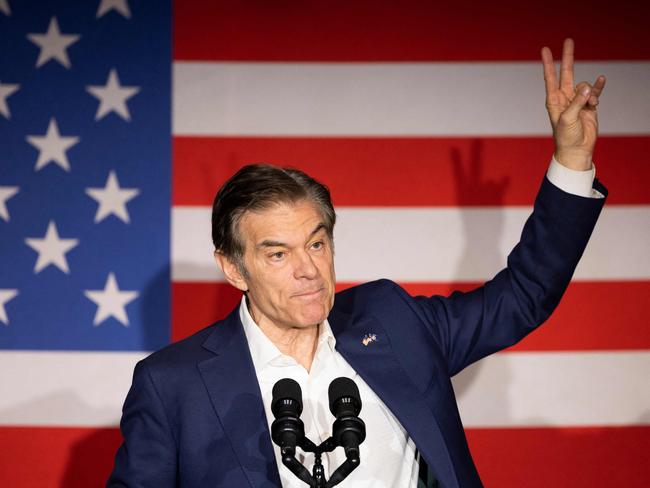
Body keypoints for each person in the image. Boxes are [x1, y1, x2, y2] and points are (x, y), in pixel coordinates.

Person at [108, 39, 607, 487]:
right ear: (233, 268)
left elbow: (522, 298)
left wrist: (573, 160)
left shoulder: (392, 321)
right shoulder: (173, 384)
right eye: (277, 254)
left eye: (317, 244)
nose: (308, 269)